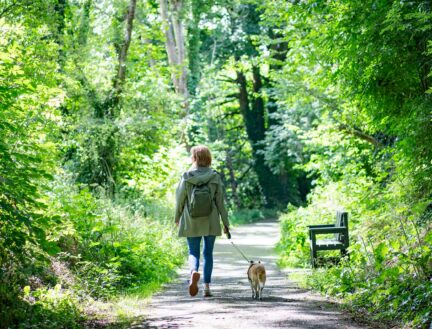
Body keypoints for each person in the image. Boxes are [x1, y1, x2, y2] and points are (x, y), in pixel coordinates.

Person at [175, 145, 230, 297]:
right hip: (211, 219)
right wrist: (225, 223)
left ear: (194, 158)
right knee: (208, 254)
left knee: (193, 252)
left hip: (191, 218)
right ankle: (206, 288)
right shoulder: (214, 176)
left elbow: (180, 199)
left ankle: (193, 272)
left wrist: (177, 217)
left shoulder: (186, 176)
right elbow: (220, 202)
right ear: (209, 158)